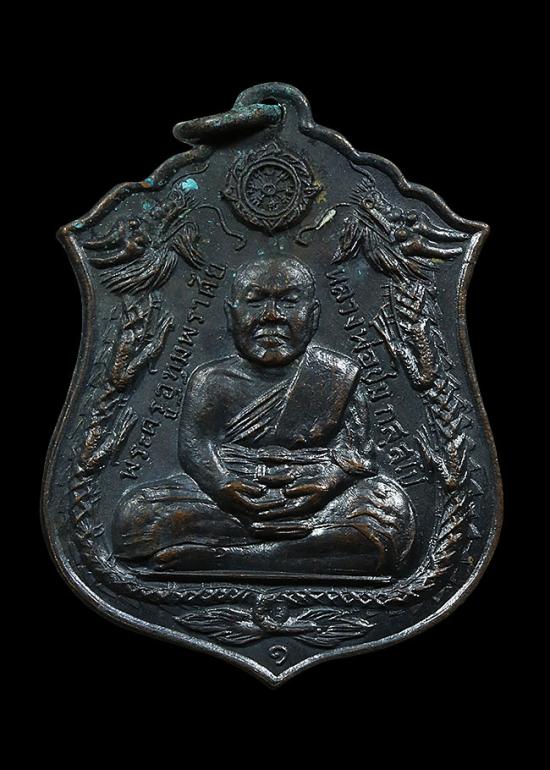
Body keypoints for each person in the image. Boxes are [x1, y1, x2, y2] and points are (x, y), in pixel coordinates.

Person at [112, 256, 416, 575]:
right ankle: (296, 554)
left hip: (316, 500)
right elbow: (195, 447)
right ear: (231, 315)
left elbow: (356, 452)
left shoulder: (336, 374)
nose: (271, 316)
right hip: (231, 501)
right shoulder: (211, 380)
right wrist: (222, 484)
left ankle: (228, 557)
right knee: (136, 515)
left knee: (391, 509)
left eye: (288, 302)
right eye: (255, 301)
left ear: (313, 316)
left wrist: (328, 481)